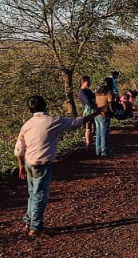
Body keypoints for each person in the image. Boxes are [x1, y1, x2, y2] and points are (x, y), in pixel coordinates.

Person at [14, 95, 97, 236]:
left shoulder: (27, 124)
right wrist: (96, 112)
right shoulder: (53, 121)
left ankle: (29, 222)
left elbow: (19, 148)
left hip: (29, 162)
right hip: (42, 163)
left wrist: (21, 165)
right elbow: (77, 122)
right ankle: (36, 227)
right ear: (45, 106)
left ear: (30, 110)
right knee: (40, 195)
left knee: (32, 193)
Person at [94, 79, 116, 157]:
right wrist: (113, 111)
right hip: (104, 114)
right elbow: (110, 103)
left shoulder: (98, 92)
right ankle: (104, 151)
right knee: (104, 134)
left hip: (97, 114)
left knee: (98, 133)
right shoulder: (108, 92)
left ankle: (98, 150)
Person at [76, 75, 95, 146]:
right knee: (89, 128)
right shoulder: (81, 92)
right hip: (87, 112)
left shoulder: (88, 90)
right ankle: (88, 143)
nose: (89, 83)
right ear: (83, 82)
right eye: (88, 81)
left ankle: (90, 141)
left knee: (94, 127)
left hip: (93, 111)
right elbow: (87, 101)